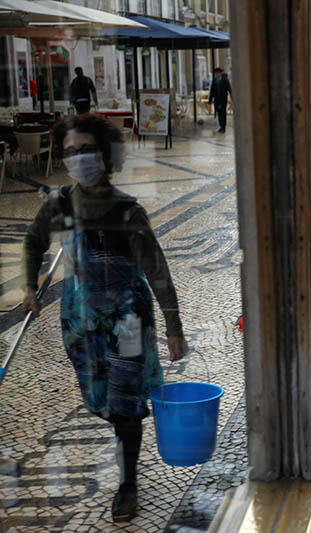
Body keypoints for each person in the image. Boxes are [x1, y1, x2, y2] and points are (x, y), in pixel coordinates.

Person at [22, 114, 188, 523]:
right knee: (103, 402)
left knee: (126, 404)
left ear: (106, 155)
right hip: (81, 324)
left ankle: (128, 482)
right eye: (71, 152)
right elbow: (32, 241)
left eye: (87, 150)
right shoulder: (59, 205)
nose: (79, 159)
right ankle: (122, 435)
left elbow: (157, 270)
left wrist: (174, 327)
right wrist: (29, 286)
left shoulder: (128, 212)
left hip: (128, 322)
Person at [209, 67, 233, 133]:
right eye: (216, 73)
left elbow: (229, 88)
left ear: (221, 73)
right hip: (217, 99)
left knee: (223, 113)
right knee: (219, 113)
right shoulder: (214, 80)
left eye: (218, 73)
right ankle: (221, 126)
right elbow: (212, 90)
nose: (217, 74)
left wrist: (232, 97)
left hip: (223, 99)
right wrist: (210, 100)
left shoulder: (225, 80)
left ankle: (223, 127)